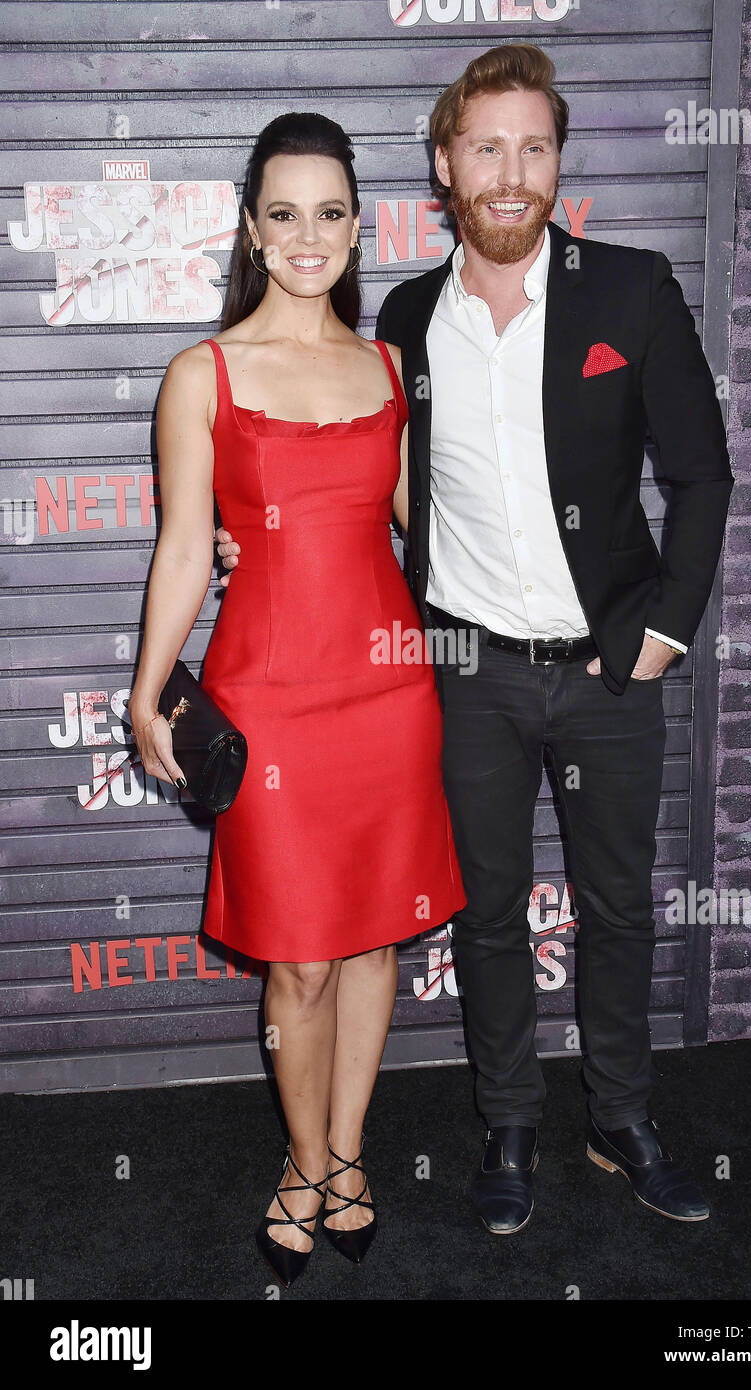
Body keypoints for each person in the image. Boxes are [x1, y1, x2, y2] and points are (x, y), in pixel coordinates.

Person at [215, 45, 734, 1237]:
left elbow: (702, 476)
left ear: (559, 162)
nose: (511, 174)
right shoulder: (402, 321)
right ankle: (508, 1126)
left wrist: (660, 632)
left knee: (616, 907)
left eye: (534, 147)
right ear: (443, 166)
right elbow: (351, 483)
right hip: (464, 673)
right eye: (485, 148)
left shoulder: (632, 289)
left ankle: (622, 1117)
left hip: (609, 667)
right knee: (487, 912)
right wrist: (258, 541)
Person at [128, 112, 465, 1288]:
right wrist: (142, 694)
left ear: (357, 224)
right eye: (285, 213)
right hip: (268, 695)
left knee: (374, 941)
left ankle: (350, 1158)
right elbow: (183, 549)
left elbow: (432, 530)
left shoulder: (386, 366)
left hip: (388, 688)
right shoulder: (202, 374)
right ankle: (301, 1157)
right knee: (299, 961)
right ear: (253, 230)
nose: (310, 235)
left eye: (331, 212)